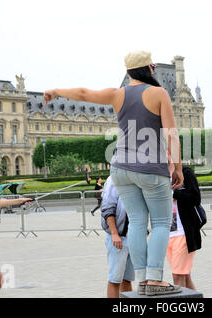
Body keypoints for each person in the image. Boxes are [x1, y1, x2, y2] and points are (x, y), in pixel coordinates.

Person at [44, 50, 184, 296]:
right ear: (150, 69)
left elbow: (84, 93)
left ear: (128, 71)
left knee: (138, 221)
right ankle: (154, 279)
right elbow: (171, 134)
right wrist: (178, 168)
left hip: (120, 168)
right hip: (151, 168)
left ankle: (141, 279)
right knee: (161, 222)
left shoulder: (117, 94)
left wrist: (56, 91)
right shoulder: (159, 93)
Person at [166, 165, 202, 290]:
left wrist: (173, 193)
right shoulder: (157, 175)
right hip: (166, 233)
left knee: (178, 276)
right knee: (184, 276)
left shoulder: (185, 172)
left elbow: (196, 198)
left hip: (183, 232)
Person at [101, 176, 134, 298]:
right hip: (119, 237)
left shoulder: (136, 177)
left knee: (127, 279)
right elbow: (107, 208)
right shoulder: (113, 179)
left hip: (132, 237)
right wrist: (114, 233)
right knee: (115, 279)